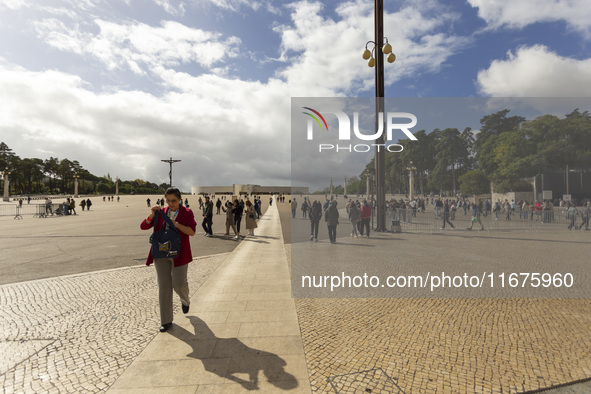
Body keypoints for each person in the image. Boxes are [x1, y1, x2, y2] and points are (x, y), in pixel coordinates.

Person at [140, 187, 196, 333]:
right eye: (168, 201)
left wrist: (176, 224)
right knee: (164, 287)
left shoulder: (187, 213)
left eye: (174, 201)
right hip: (161, 254)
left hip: (179, 254)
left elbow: (191, 232)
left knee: (179, 284)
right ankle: (166, 320)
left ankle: (185, 299)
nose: (171, 204)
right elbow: (143, 226)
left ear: (180, 199)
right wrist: (152, 215)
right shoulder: (161, 213)